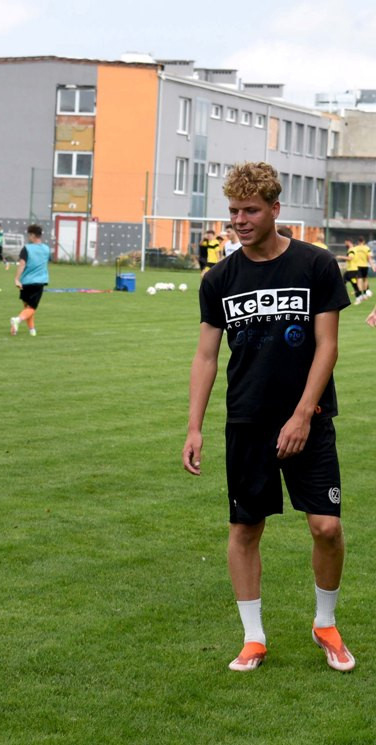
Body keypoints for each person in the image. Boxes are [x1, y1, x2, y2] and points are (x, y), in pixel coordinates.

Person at [182, 162, 354, 673]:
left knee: (326, 527)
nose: (240, 220)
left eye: (251, 210)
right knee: (245, 528)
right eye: (233, 211)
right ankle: (253, 637)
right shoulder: (220, 279)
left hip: (309, 419)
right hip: (248, 422)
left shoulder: (316, 266)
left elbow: (328, 347)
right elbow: (207, 357)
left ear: (276, 210)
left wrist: (302, 415)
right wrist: (194, 426)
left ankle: (325, 623)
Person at [10, 224, 51, 336]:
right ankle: (17, 320)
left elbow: (22, 264)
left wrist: (17, 279)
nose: (28, 237)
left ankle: (31, 330)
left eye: (29, 235)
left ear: (33, 235)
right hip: (39, 282)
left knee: (27, 307)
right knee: (31, 308)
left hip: (25, 282)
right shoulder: (47, 249)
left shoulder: (26, 248)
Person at [342, 238, 364, 304]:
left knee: (353, 284)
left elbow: (350, 258)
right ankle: (357, 296)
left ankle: (358, 297)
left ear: (348, 242)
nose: (345, 244)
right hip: (350, 269)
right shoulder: (354, 249)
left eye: (345, 242)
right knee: (343, 282)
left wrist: (340, 257)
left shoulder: (351, 250)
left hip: (352, 270)